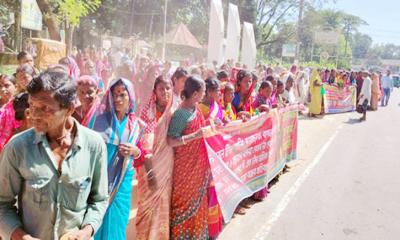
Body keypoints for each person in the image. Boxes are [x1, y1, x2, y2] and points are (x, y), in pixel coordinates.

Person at [0, 71, 109, 240]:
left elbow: (99, 200)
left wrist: (86, 231)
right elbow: (2, 205)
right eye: (32, 106)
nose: (34, 115)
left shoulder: (93, 145)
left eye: (45, 108)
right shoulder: (17, 147)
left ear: (69, 110)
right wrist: (22, 237)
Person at [91, 78, 145, 240]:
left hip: (122, 182)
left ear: (131, 98)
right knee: (97, 221)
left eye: (122, 95)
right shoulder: (99, 121)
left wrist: (135, 151)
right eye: (114, 95)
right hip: (100, 180)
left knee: (117, 221)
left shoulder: (136, 125)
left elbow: (140, 153)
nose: (117, 99)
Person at [167, 76, 214, 239]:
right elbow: (171, 140)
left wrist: (211, 123)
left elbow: (201, 127)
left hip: (198, 168)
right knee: (184, 204)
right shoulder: (180, 114)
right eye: (202, 92)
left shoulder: (196, 109)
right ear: (194, 94)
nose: (204, 95)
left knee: (199, 203)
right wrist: (195, 135)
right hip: (185, 171)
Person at [136, 76, 175, 240]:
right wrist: (151, 172)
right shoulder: (147, 112)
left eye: (168, 88)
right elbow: (145, 144)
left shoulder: (174, 111)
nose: (165, 92)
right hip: (149, 166)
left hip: (167, 165)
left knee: (164, 203)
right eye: (161, 89)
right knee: (147, 204)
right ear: (155, 92)